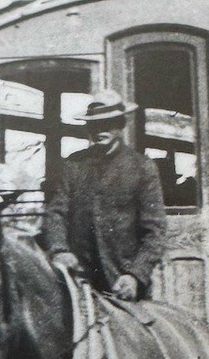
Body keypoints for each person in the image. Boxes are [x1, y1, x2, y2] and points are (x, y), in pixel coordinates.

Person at [43, 90, 166, 301]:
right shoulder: (74, 165)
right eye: (94, 125)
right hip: (78, 278)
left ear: (120, 125)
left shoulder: (142, 168)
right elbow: (56, 213)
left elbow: (155, 232)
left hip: (123, 281)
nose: (99, 130)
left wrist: (135, 275)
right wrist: (59, 250)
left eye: (107, 124)